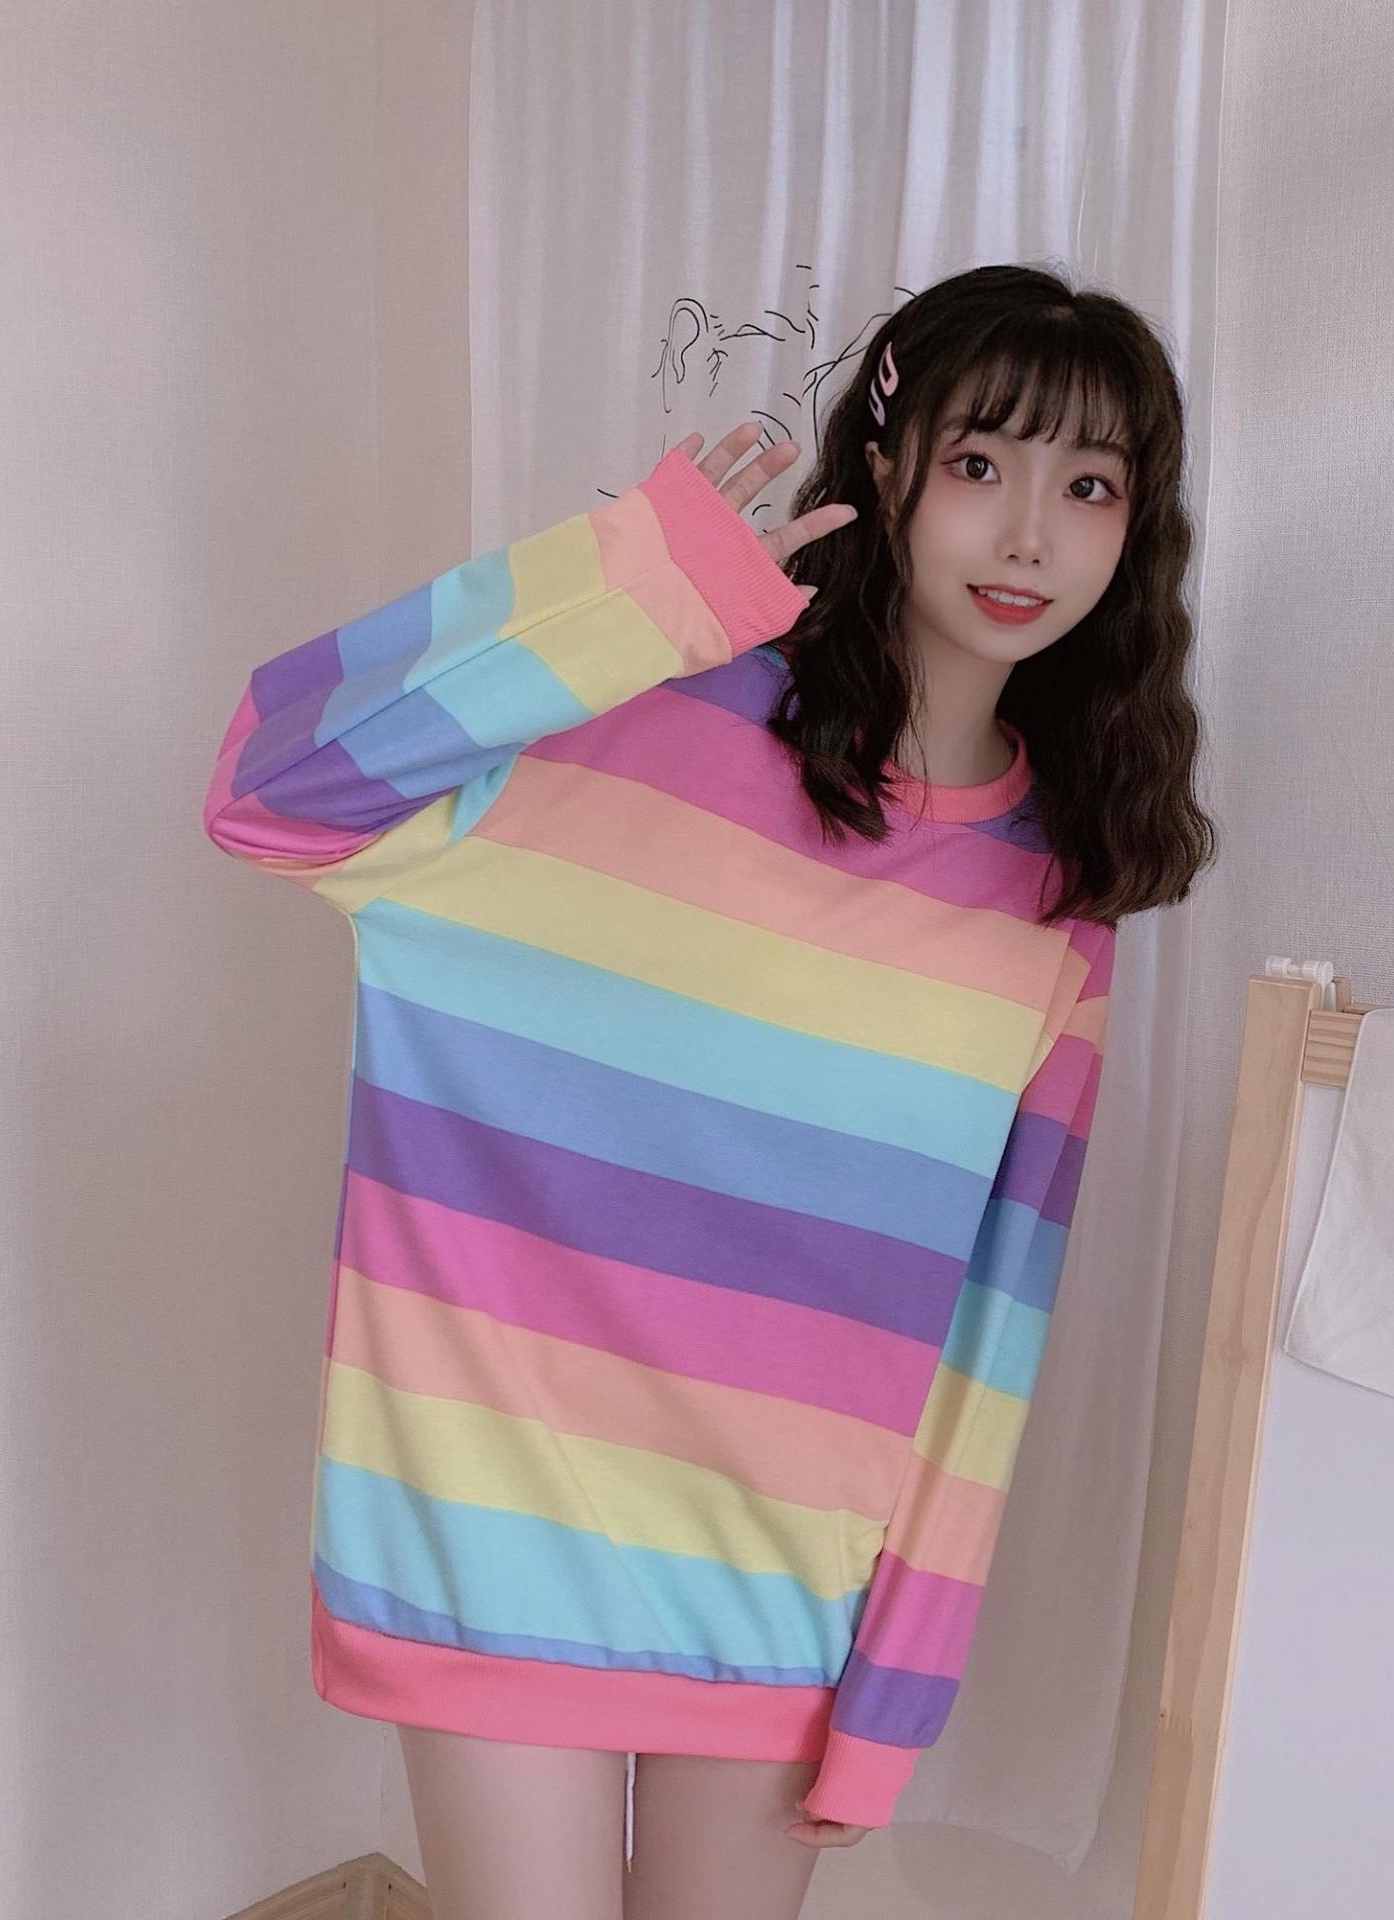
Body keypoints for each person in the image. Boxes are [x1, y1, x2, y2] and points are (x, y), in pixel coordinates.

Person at [201, 260, 1215, 1920]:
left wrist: (900, 1689)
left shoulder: (1056, 900)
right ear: (882, 467)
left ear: (1135, 532)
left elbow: (991, 1330)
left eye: (1089, 486)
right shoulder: (629, 715)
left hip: (782, 1581)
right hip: (501, 1516)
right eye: (980, 463)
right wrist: (627, 589)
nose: (1031, 533)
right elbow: (268, 787)